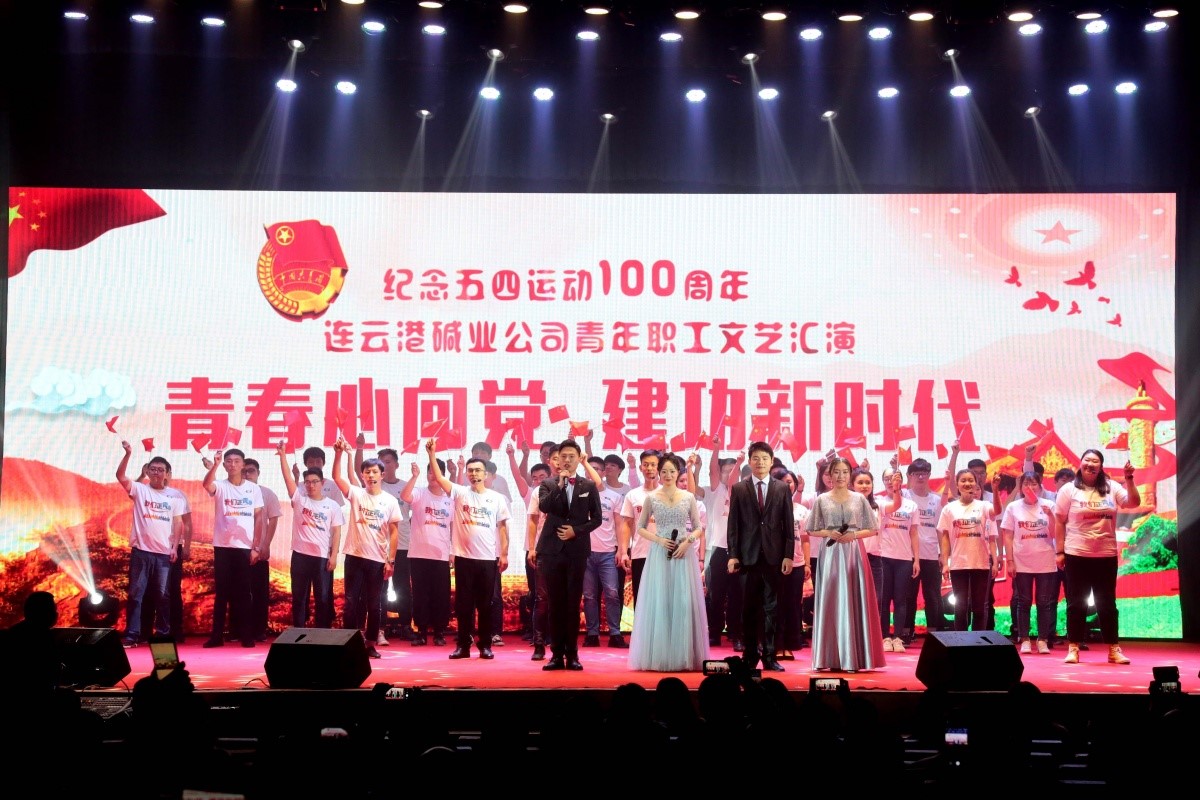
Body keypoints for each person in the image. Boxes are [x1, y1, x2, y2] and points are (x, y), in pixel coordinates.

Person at [1054, 449, 1141, 665]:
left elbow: (1133, 502)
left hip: (1105, 555)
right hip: (1077, 554)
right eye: (1087, 460)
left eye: (1095, 461)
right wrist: (1059, 551)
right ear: (1080, 463)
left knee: (1107, 604)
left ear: (1101, 466)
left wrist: (1129, 478)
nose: (1090, 464)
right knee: (1076, 604)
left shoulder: (1112, 487)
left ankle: (1113, 649)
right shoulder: (1068, 490)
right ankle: (1074, 648)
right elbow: (1059, 521)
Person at [428, 440, 510, 660]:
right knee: (464, 605)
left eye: (478, 471)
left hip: (487, 559)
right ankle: (463, 645)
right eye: (470, 471)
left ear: (486, 474)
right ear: (466, 474)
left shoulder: (496, 498)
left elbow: (503, 528)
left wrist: (504, 554)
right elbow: (440, 478)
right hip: (463, 558)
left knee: (485, 605)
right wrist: (432, 454)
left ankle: (485, 646)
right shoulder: (460, 493)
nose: (474, 474)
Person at [629, 453, 709, 671]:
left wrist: (688, 542)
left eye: (672, 471)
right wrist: (659, 540)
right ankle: (659, 656)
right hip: (659, 554)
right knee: (660, 601)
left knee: (682, 601)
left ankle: (683, 655)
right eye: (663, 471)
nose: (667, 475)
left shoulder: (688, 497)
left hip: (684, 554)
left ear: (678, 473)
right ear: (658, 473)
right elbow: (640, 528)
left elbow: (699, 527)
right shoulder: (652, 498)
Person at [807, 456, 884, 672]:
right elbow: (810, 529)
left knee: (853, 599)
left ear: (850, 475)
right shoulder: (822, 500)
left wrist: (854, 535)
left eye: (844, 472)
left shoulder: (859, 499)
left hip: (853, 553)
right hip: (830, 553)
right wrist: (828, 532)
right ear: (829, 475)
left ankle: (854, 658)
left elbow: (873, 528)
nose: (840, 476)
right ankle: (827, 657)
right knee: (830, 600)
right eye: (836, 472)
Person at [530, 440, 603, 671]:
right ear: (557, 460)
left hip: (576, 551)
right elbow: (545, 507)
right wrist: (560, 485)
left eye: (572, 456)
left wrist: (576, 531)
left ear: (579, 458)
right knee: (555, 604)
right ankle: (556, 655)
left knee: (572, 604)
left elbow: (597, 519)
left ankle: (572, 655)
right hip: (551, 551)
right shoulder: (548, 484)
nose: (568, 460)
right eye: (564, 456)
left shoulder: (588, 485)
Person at [726, 441, 795, 673]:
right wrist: (733, 555)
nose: (760, 462)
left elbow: (788, 525)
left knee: (771, 609)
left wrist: (788, 555)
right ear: (749, 461)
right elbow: (733, 525)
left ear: (772, 461)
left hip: (774, 558)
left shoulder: (782, 488)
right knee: (748, 609)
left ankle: (769, 655)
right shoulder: (739, 488)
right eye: (755, 458)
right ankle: (750, 655)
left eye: (765, 458)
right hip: (747, 557)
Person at [333, 438, 402, 659]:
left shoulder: (390, 501)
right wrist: (339, 454)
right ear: (362, 475)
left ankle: (370, 643)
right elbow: (337, 477)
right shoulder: (356, 494)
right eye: (367, 472)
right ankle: (349, 643)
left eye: (374, 472)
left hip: (377, 560)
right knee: (351, 603)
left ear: (382, 475)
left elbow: (394, 532)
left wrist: (391, 560)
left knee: (374, 604)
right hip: (354, 556)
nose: (371, 475)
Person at [117, 443, 184, 647]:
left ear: (167, 474)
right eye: (153, 469)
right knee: (136, 594)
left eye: (160, 470)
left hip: (163, 554)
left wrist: (174, 547)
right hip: (141, 552)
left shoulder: (175, 496)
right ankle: (132, 634)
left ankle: (162, 634)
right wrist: (128, 454)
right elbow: (120, 476)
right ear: (147, 471)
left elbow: (178, 523)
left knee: (163, 596)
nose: (156, 473)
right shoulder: (140, 489)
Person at [276, 442, 344, 628]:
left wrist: (333, 556)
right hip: (300, 556)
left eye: (315, 482)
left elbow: (336, 531)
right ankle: (299, 631)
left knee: (323, 597)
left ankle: (322, 632)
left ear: (322, 483)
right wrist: (283, 455)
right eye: (307, 482)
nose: (311, 485)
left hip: (321, 557)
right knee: (299, 597)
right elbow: (287, 479)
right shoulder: (300, 500)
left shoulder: (332, 505)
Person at [201, 448, 264, 648]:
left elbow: (259, 517)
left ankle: (247, 635)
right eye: (228, 461)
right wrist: (215, 465)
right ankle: (217, 636)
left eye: (237, 461)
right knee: (222, 593)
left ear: (243, 465)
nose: (233, 464)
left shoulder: (253, 489)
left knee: (244, 593)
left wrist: (256, 546)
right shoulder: (221, 485)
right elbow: (207, 484)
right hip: (223, 546)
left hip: (244, 547)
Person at [358, 441, 415, 646]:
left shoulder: (405, 486)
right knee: (380, 590)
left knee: (403, 587)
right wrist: (359, 448)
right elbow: (357, 470)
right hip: (378, 547)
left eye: (388, 461)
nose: (385, 464)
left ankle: (406, 625)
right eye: (381, 461)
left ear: (396, 465)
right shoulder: (374, 485)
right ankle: (379, 628)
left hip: (403, 544)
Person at [1001, 471, 1058, 655]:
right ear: (1021, 488)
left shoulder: (1049, 505)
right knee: (1023, 601)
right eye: (1026, 484)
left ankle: (1042, 639)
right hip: (1021, 560)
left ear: (1040, 486)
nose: (1030, 487)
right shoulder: (1013, 507)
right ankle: (1024, 639)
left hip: (1045, 560)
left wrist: (1051, 516)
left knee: (1044, 602)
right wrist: (1010, 561)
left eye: (1034, 484)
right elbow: (1008, 536)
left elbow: (1055, 534)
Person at [401, 455, 454, 647]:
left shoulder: (450, 499)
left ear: (442, 474)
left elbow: (454, 527)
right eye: (429, 472)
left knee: (441, 595)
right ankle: (421, 632)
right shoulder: (419, 493)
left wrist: (453, 551)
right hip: (419, 553)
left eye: (436, 472)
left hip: (441, 554)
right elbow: (404, 496)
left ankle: (439, 632)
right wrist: (414, 476)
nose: (433, 475)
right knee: (420, 594)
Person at [937, 469, 997, 632]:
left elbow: (997, 512)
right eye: (963, 480)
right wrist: (945, 563)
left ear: (977, 484)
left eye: (971, 480)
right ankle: (960, 642)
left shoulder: (984, 506)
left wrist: (995, 489)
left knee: (979, 607)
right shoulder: (949, 509)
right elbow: (945, 537)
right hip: (958, 564)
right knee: (960, 607)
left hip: (980, 563)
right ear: (957, 484)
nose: (967, 483)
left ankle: (978, 641)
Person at [704, 440, 745, 650]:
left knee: (737, 595)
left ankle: (736, 634)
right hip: (718, 550)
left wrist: (739, 462)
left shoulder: (743, 494)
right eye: (725, 471)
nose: (729, 475)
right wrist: (716, 448)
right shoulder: (715, 490)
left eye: (733, 471)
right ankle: (714, 633)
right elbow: (712, 469)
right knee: (716, 595)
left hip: (738, 552)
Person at [581, 456, 627, 648]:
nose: (592, 472)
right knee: (589, 595)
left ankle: (615, 633)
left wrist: (622, 550)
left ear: (602, 473)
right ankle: (592, 633)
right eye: (589, 468)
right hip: (585, 553)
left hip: (608, 553)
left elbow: (620, 525)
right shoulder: (578, 495)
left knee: (612, 593)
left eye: (597, 469)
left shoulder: (615, 497)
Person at [902, 457, 948, 636]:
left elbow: (940, 530)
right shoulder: (904, 496)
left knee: (932, 596)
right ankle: (906, 632)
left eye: (924, 473)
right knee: (908, 595)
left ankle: (934, 633)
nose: (920, 477)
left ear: (929, 475)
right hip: (909, 555)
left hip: (931, 555)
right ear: (910, 476)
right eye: (916, 473)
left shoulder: (936, 500)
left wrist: (943, 555)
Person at [877, 466, 920, 651]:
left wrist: (916, 560)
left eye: (894, 478)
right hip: (883, 556)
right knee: (884, 599)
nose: (890, 481)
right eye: (887, 478)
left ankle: (898, 637)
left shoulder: (911, 505)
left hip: (904, 558)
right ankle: (885, 637)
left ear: (901, 481)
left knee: (901, 599)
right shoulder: (879, 503)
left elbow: (914, 533)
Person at [242, 458, 282, 641]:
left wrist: (265, 544)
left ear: (258, 473)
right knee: (238, 591)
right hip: (238, 549)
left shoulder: (267, 493)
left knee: (260, 592)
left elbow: (273, 520)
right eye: (244, 471)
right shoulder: (234, 492)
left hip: (259, 550)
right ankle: (238, 630)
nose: (247, 474)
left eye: (251, 470)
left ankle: (259, 630)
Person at [618, 450, 661, 607]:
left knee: (662, 599)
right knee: (641, 601)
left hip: (663, 555)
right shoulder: (632, 495)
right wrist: (624, 552)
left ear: (659, 467)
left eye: (653, 465)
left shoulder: (669, 493)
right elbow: (626, 524)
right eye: (646, 465)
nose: (649, 468)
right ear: (640, 468)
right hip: (640, 554)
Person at [774, 469, 809, 660]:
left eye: (790, 482)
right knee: (776, 604)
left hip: (797, 563)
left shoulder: (802, 510)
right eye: (783, 481)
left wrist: (807, 564)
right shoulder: (770, 507)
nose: (787, 485)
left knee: (793, 605)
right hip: (775, 564)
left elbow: (805, 539)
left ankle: (790, 644)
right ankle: (777, 645)